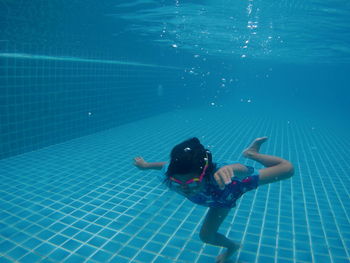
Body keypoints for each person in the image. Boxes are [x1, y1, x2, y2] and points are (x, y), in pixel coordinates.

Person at [133, 137, 294, 263]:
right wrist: (146, 165)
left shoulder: (218, 171)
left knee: (288, 169)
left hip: (234, 185)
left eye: (192, 182)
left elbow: (244, 170)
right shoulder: (171, 174)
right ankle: (232, 247)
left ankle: (252, 153)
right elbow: (165, 165)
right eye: (177, 181)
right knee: (206, 237)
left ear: (205, 173)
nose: (184, 187)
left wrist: (232, 169)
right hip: (220, 203)